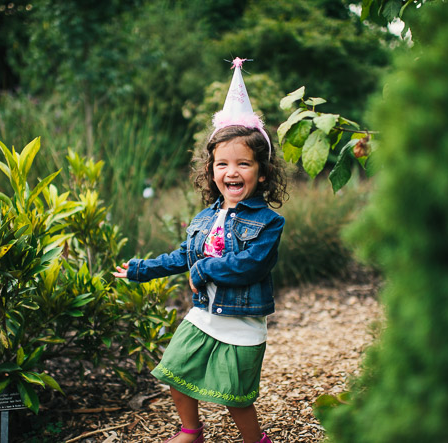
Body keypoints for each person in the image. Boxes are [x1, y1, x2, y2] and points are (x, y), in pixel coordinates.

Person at [113, 58, 287, 443]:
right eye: (222, 163)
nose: (232, 172)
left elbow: (251, 265)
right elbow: (184, 256)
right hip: (203, 315)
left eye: (244, 163)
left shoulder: (269, 223)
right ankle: (191, 430)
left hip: (241, 321)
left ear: (262, 172)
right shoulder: (204, 217)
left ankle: (256, 441)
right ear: (211, 170)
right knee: (175, 371)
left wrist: (205, 270)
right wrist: (142, 269)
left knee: (236, 398)